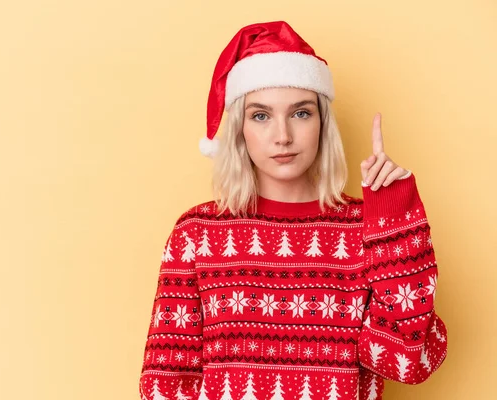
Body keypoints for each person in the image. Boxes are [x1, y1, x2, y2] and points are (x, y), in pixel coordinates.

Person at [138, 21, 447, 400]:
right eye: (261, 115)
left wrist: (395, 220)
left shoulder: (364, 230)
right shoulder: (197, 234)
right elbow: (164, 384)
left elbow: (407, 360)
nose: (282, 135)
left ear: (322, 124)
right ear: (240, 129)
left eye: (300, 113)